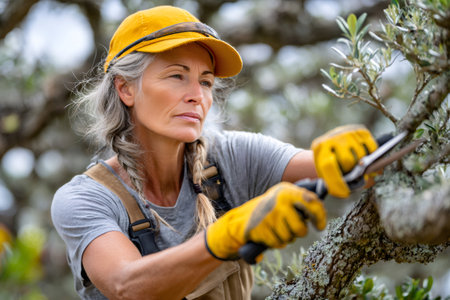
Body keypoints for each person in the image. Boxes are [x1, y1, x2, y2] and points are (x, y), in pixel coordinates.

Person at [51, 5, 378, 300]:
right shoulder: (86, 199)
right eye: (177, 76)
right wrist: (225, 235)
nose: (196, 95)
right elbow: (127, 286)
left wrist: (346, 155)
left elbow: (336, 167)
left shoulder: (232, 156)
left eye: (206, 82)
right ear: (125, 88)